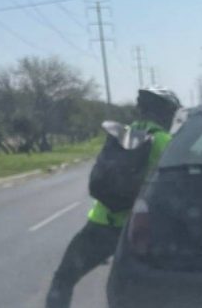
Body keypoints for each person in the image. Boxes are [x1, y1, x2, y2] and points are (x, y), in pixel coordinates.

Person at [45, 87, 181, 308]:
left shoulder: (121, 135)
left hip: (100, 223)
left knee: (64, 278)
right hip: (140, 230)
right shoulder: (164, 141)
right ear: (167, 114)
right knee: (143, 290)